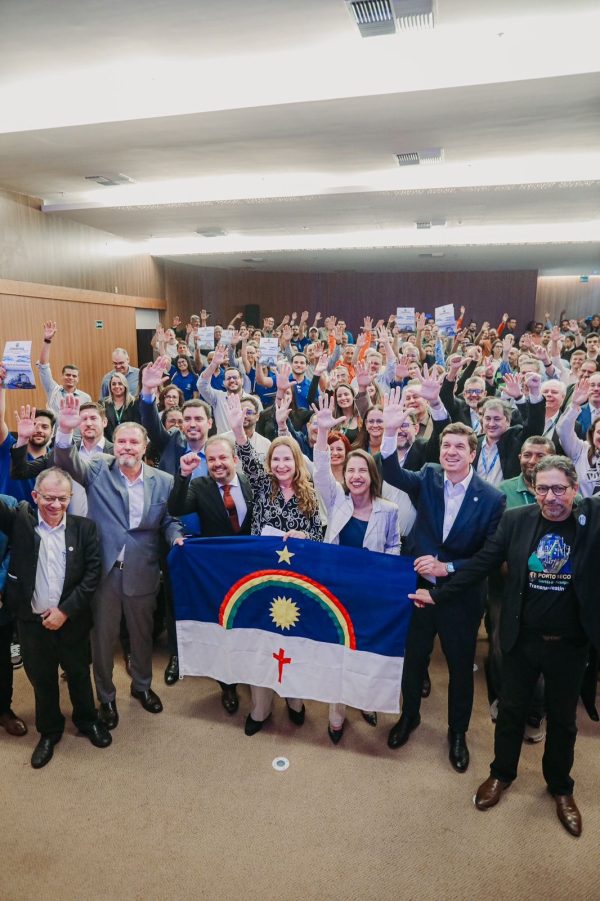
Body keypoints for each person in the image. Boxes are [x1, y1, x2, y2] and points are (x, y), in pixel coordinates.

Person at [410, 456, 599, 837]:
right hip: (520, 639)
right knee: (511, 711)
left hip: (570, 644)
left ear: (575, 488)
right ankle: (501, 774)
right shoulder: (516, 520)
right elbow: (482, 563)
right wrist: (440, 593)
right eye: (542, 489)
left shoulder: (592, 519)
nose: (550, 497)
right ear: (533, 489)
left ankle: (561, 787)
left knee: (563, 721)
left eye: (559, 489)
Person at [380, 386, 505, 772]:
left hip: (461, 597)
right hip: (419, 592)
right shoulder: (429, 476)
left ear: (472, 453)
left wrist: (446, 568)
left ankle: (457, 733)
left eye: (459, 447)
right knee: (414, 659)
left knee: (459, 668)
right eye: (445, 445)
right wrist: (389, 431)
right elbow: (391, 472)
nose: (450, 451)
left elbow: (488, 557)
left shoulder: (492, 498)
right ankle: (409, 717)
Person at [53, 396, 184, 729]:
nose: (127, 447)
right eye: (122, 441)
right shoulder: (98, 468)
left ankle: (142, 686)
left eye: (133, 442)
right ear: (115, 444)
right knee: (102, 640)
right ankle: (107, 698)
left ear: (144, 447)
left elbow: (168, 520)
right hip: (104, 574)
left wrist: (176, 537)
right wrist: (65, 431)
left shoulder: (163, 481)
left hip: (143, 571)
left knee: (141, 637)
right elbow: (66, 462)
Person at [0, 468, 111, 768]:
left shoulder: (85, 529)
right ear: (35, 496)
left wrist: (65, 611)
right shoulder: (20, 523)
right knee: (42, 679)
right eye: (48, 498)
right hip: (32, 623)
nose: (55, 504)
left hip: (71, 620)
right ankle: (49, 732)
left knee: (78, 673)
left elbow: (92, 574)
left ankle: (87, 721)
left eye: (62, 498)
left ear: (70, 498)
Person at [225, 392, 322, 735]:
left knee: (294, 641)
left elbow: (319, 537)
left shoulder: (311, 493)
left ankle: (295, 700)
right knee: (262, 642)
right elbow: (247, 457)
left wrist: (303, 537)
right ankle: (261, 707)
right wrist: (238, 431)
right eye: (276, 459)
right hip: (263, 578)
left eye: (287, 459)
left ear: (297, 462)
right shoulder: (262, 485)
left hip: (297, 581)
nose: (281, 465)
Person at [313, 395, 400, 742]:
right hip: (336, 592)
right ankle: (336, 715)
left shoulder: (389, 510)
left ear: (371, 475)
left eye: (362, 470)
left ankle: (366, 701)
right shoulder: (336, 499)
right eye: (351, 470)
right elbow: (320, 472)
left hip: (371, 595)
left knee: (366, 651)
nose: (356, 475)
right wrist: (322, 433)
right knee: (339, 651)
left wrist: (386, 580)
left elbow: (393, 547)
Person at [167, 435, 254, 715]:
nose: (217, 464)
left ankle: (252, 673)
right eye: (212, 459)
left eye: (222, 457)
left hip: (251, 569)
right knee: (223, 626)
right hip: (217, 571)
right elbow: (176, 508)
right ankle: (227, 685)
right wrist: (183, 475)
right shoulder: (200, 485)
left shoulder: (251, 483)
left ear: (235, 460)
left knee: (249, 623)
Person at [0, 493, 27, 740]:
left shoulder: (9, 505)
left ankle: (3, 710)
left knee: (2, 659)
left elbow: (14, 549)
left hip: (1, 599)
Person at [36, 321, 91, 414]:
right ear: (62, 376)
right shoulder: (53, 390)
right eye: (68, 375)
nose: (71, 377)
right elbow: (43, 366)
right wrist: (47, 340)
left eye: (74, 376)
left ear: (78, 379)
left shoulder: (86, 398)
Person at [557, 377, 600, 496]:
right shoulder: (581, 450)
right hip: (583, 506)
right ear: (592, 434)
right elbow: (563, 431)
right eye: (599, 432)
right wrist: (575, 404)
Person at [103, 372, 140, 441]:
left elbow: (138, 425)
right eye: (113, 384)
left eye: (120, 383)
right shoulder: (103, 403)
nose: (117, 386)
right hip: (110, 443)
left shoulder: (134, 403)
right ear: (110, 387)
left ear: (125, 385)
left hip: (130, 441)